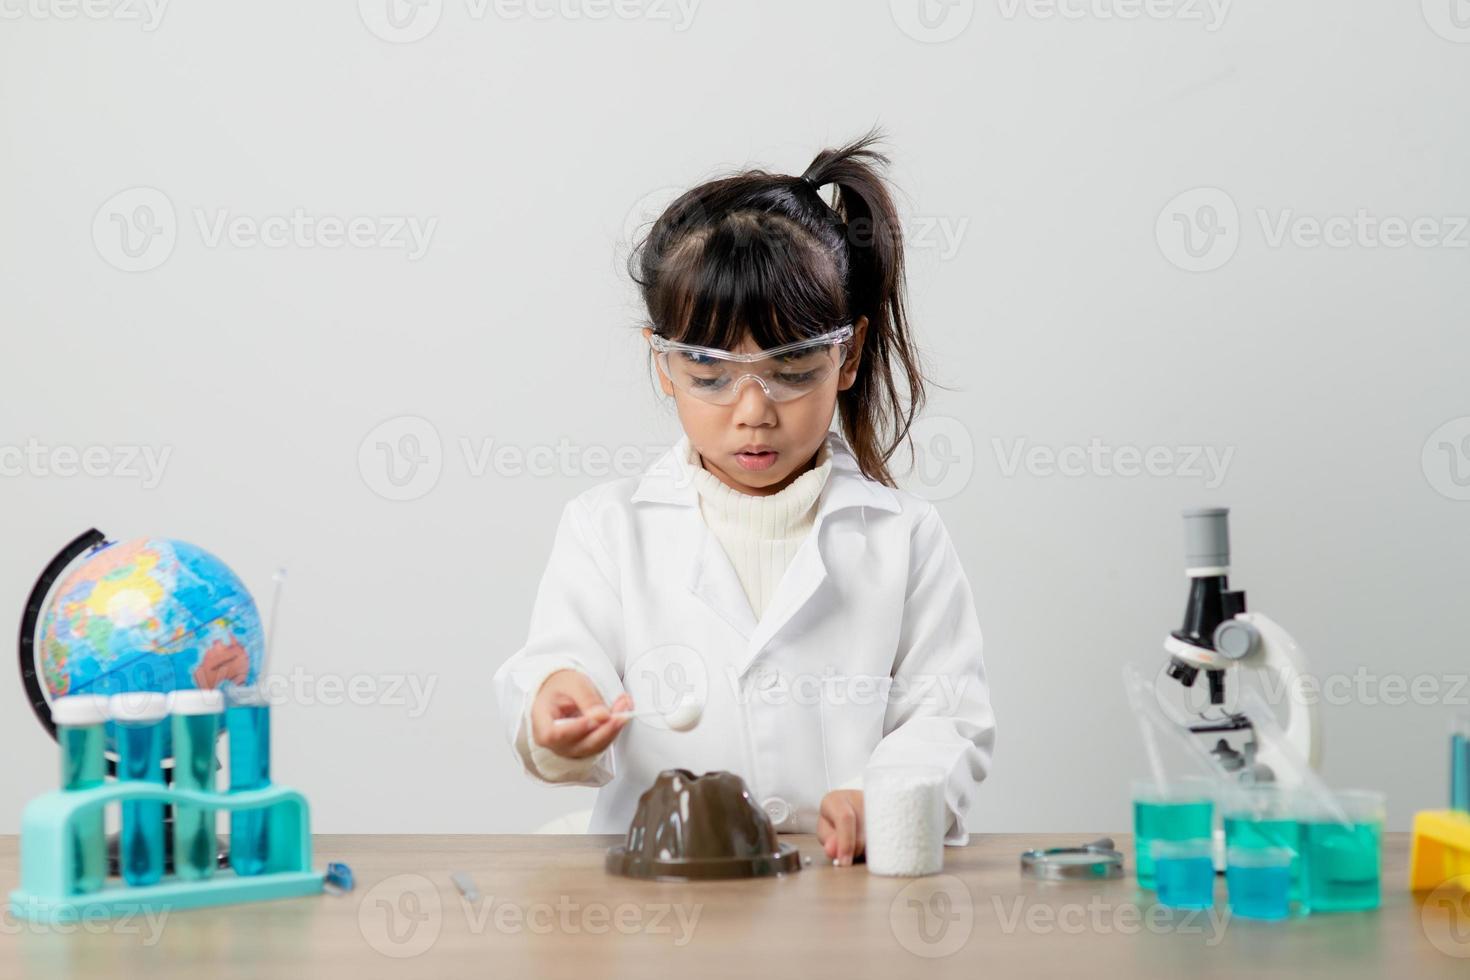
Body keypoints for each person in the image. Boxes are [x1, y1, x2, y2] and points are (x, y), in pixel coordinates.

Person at [493, 129, 995, 866]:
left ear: (847, 356)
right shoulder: (609, 529)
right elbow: (566, 666)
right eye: (711, 376)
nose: (753, 409)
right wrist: (557, 707)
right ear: (663, 363)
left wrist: (885, 798)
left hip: (841, 895)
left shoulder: (904, 539)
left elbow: (948, 717)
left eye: (792, 370)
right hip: (664, 898)